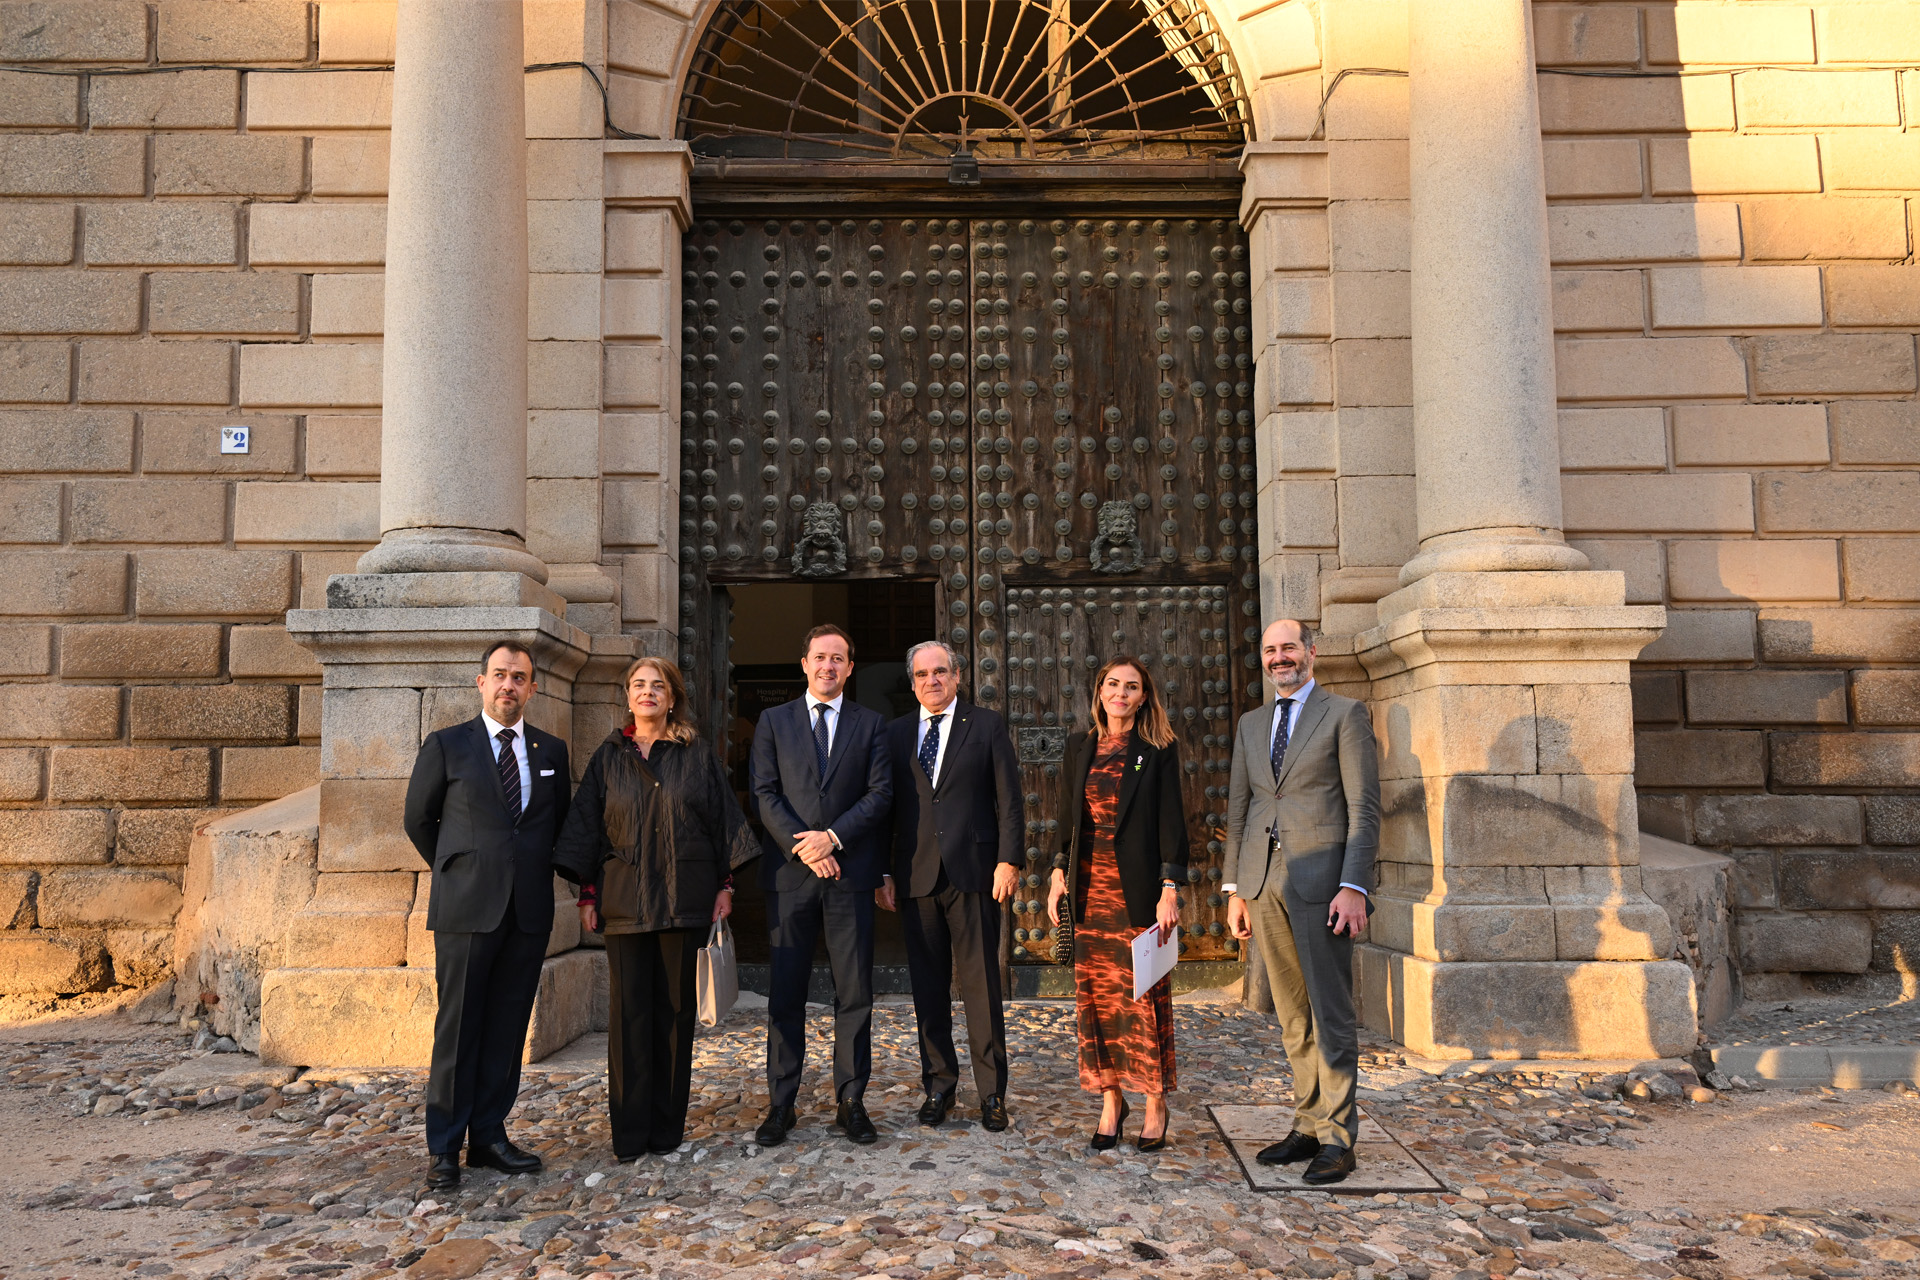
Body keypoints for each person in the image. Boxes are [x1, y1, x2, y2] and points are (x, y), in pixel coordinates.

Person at [553, 656, 754, 1162]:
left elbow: (720, 822)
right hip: (623, 901)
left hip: (685, 899)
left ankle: (667, 1128)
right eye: (639, 685)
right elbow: (589, 829)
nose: (647, 693)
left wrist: (724, 884)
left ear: (671, 697)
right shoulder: (608, 756)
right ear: (628, 697)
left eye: (657, 686)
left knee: (674, 1014)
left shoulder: (696, 754)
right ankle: (629, 1131)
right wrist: (588, 895)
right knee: (628, 1018)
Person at [403, 639, 573, 1191]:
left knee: (506, 1026)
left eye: (519, 678)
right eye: (500, 676)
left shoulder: (551, 751)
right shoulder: (448, 745)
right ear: (481, 683)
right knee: (458, 1028)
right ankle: (444, 1147)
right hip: (467, 910)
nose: (509, 686)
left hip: (527, 911)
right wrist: (463, 871)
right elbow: (418, 821)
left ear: (532, 687)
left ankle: (490, 1136)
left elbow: (557, 826)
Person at [1223, 619, 1380, 1186]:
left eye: (1289, 647)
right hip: (1264, 886)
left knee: (1330, 1011)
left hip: (1324, 886)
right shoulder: (1251, 723)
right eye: (1269, 649)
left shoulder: (1344, 714)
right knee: (1291, 1014)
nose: (1279, 657)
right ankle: (1308, 1123)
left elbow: (1364, 809)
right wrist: (1235, 890)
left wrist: (1354, 886)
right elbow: (1240, 812)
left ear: (1312, 652)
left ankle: (1340, 1139)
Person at [748, 623, 894, 1146]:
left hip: (849, 875)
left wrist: (832, 838)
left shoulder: (871, 724)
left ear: (850, 667)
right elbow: (763, 793)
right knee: (785, 994)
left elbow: (880, 795)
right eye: (819, 657)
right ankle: (781, 1104)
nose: (828, 666)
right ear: (804, 664)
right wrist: (805, 846)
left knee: (854, 993)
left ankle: (850, 1100)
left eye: (838, 658)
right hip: (791, 878)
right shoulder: (773, 720)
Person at [1045, 656, 1189, 1153]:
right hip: (1088, 891)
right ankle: (1111, 1100)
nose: (1120, 694)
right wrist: (1057, 874)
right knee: (1097, 1002)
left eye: (1131, 687)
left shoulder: (1157, 749)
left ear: (1144, 696)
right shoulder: (1078, 746)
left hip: (1136, 892)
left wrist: (1171, 886)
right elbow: (1067, 819)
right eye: (1112, 685)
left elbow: (1173, 820)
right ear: (1099, 691)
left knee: (1142, 999)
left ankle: (1153, 1102)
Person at [880, 640, 1022, 1131]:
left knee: (982, 988)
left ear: (957, 676)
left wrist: (1009, 860)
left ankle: (992, 1095)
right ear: (913, 681)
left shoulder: (985, 726)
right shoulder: (896, 734)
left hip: (975, 873)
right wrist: (884, 871)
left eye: (940, 672)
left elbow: (1010, 798)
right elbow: (886, 808)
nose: (931, 681)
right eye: (921, 675)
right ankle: (939, 1087)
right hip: (917, 876)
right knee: (928, 992)